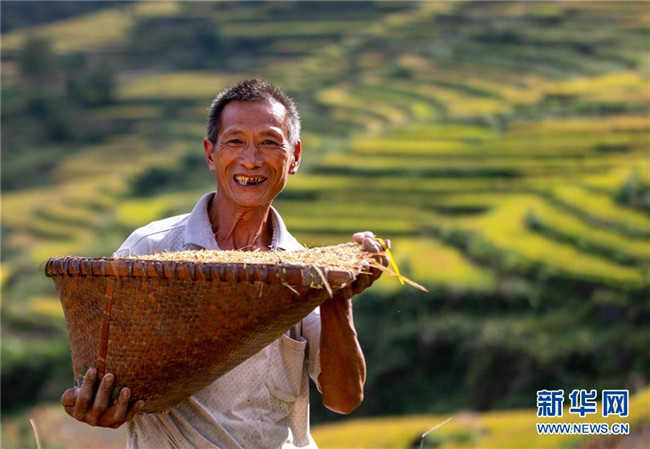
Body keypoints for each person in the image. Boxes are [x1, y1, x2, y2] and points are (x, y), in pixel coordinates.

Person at [61, 79, 386, 448]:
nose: (251, 160)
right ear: (210, 153)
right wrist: (98, 404)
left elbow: (344, 399)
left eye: (269, 142)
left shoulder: (303, 270)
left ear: (294, 156)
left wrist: (338, 293)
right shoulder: (150, 250)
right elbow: (105, 379)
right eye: (235, 141)